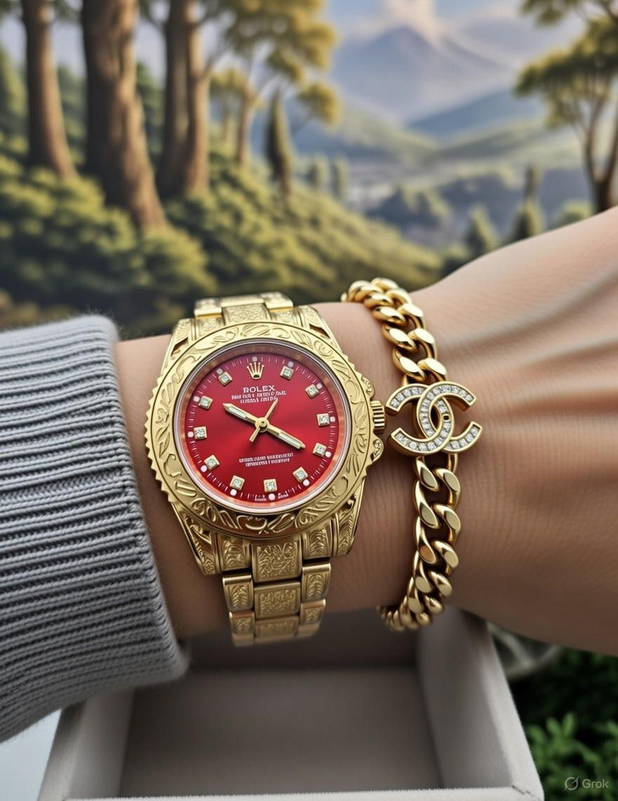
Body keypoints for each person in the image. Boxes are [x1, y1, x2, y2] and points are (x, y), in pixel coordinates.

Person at [0, 208, 616, 742]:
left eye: (266, 421)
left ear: (371, 424)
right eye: (255, 421)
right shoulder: (198, 421)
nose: (262, 426)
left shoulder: (353, 425)